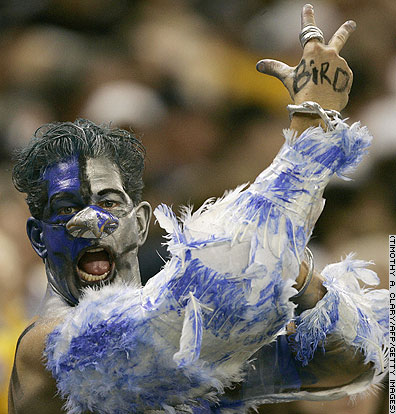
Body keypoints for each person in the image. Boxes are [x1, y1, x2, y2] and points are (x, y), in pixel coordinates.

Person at [8, 5, 388, 414]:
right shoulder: (45, 346)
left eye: (108, 202)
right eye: (66, 209)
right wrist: (309, 123)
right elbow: (226, 279)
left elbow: (353, 365)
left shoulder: (197, 347)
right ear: (37, 238)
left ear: (139, 224)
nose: (89, 220)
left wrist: (302, 277)